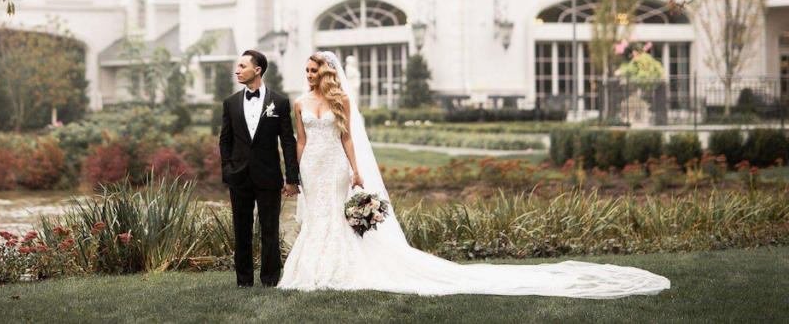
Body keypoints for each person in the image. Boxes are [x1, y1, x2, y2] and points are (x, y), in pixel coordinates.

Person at [277, 51, 672, 299]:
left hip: (338, 167)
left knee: (335, 215)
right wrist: (297, 171)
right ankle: (310, 268)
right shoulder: (299, 102)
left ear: (326, 72)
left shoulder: (340, 99)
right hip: (312, 165)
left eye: (314, 70)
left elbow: (348, 139)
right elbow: (299, 140)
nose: (309, 75)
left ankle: (339, 267)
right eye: (306, 70)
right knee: (318, 217)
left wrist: (358, 171)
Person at [218, 50, 299, 288]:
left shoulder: (280, 103)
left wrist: (292, 178)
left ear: (257, 70)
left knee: (270, 230)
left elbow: (288, 142)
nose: (237, 70)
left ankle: (270, 280)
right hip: (239, 175)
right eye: (237, 66)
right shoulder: (230, 102)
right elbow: (225, 140)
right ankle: (244, 281)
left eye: (242, 66)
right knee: (241, 230)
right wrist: (227, 169)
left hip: (268, 176)